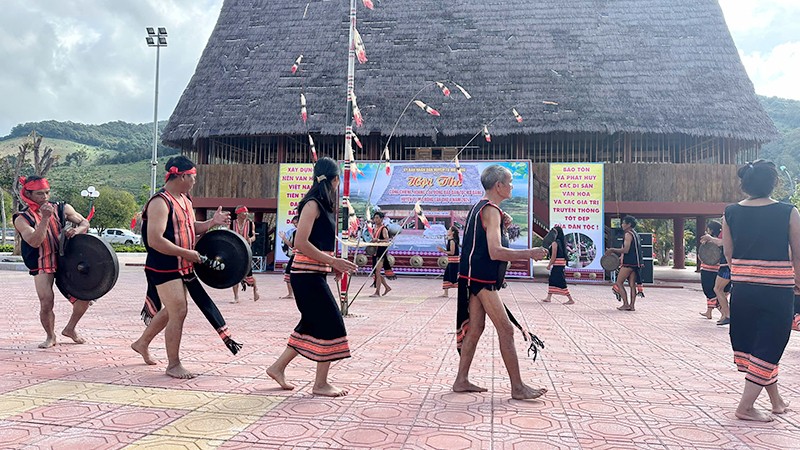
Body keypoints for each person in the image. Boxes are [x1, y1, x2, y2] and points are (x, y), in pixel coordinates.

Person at [130, 156, 234, 379]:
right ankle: (173, 364)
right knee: (179, 310)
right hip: (164, 266)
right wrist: (187, 253)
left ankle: (142, 342)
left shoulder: (185, 199)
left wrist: (212, 223)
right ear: (183, 176)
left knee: (172, 310)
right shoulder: (160, 202)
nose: (195, 181)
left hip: (183, 265)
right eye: (193, 177)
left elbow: (189, 227)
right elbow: (156, 240)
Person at [454, 164, 549, 400]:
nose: (512, 187)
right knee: (506, 329)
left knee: (476, 328)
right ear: (499, 186)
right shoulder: (491, 211)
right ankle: (517, 387)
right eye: (509, 182)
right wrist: (531, 253)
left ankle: (461, 380)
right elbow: (495, 251)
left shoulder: (482, 207)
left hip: (472, 276)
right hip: (482, 279)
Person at [267, 157, 358, 397]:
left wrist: (333, 266)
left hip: (314, 274)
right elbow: (301, 243)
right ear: (335, 180)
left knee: (310, 324)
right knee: (331, 323)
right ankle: (320, 384)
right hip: (305, 276)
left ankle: (277, 368)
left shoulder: (324, 206)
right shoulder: (312, 204)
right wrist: (333, 261)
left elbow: (319, 245)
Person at [722, 159, 800, 422]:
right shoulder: (789, 212)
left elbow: (729, 253)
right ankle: (745, 407)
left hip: (743, 288)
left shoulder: (730, 212)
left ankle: (776, 402)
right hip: (776, 289)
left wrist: (746, 274)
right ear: (773, 183)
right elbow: (798, 255)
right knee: (770, 344)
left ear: (744, 184)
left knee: (756, 343)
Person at [13, 175, 91, 348]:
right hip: (41, 262)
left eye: (47, 192)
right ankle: (50, 336)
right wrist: (46, 219)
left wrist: (78, 230)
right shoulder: (22, 218)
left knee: (85, 297)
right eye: (40, 194)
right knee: (46, 301)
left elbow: (85, 222)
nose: (45, 197)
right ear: (28, 194)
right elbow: (34, 241)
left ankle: (70, 329)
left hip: (65, 260)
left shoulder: (62, 208)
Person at [605, 215, 644, 311]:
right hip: (636, 263)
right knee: (632, 285)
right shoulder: (635, 234)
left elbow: (626, 250)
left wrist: (612, 250)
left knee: (619, 282)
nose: (622, 225)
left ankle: (626, 304)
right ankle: (632, 306)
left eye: (623, 223)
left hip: (629, 263)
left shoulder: (628, 234)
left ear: (628, 224)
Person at [698, 220, 732, 325]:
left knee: (717, 290)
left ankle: (727, 315)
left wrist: (710, 239)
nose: (722, 219)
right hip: (724, 266)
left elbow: (724, 243)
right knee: (719, 290)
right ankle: (724, 315)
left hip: (726, 266)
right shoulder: (725, 232)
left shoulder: (727, 233)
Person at [231, 205, 259, 303]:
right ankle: (236, 297)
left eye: (247, 212)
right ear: (238, 213)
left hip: (246, 252)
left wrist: (249, 239)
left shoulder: (250, 224)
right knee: (234, 274)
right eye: (244, 212)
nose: (246, 214)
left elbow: (254, 237)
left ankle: (255, 289)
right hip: (235, 252)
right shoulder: (231, 224)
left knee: (249, 275)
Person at [543, 226, 575, 304]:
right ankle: (548, 297)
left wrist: (549, 265)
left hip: (557, 264)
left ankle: (570, 298)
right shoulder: (562, 242)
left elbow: (553, 256)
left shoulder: (555, 243)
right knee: (552, 280)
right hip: (561, 264)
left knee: (560, 281)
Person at [370, 211, 395, 297]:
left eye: (377, 218)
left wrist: (379, 240)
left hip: (381, 252)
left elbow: (387, 240)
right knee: (376, 272)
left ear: (381, 219)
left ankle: (377, 292)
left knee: (377, 271)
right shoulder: (374, 228)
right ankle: (387, 287)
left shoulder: (383, 229)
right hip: (375, 252)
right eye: (375, 218)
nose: (376, 220)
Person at [278, 215, 299, 299]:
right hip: (295, 254)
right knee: (288, 272)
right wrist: (284, 238)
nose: (295, 225)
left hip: (300, 255)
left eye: (296, 223)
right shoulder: (295, 232)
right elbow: (292, 245)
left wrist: (284, 238)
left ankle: (293, 293)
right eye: (294, 224)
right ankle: (291, 293)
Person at [437, 225, 460, 297]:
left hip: (454, 263)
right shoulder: (450, 240)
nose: (447, 231)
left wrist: (443, 250)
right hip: (451, 262)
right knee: (446, 276)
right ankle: (445, 293)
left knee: (454, 279)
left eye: (449, 230)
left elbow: (452, 252)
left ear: (452, 232)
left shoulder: (452, 241)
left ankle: (465, 292)